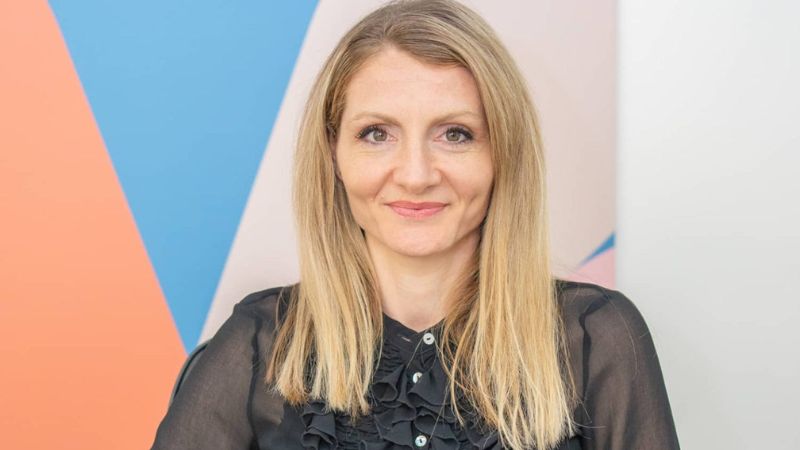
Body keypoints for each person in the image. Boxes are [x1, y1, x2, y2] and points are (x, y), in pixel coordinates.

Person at [151, 0, 680, 448]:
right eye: (377, 134)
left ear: (503, 154)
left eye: (455, 134)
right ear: (333, 154)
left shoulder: (595, 340)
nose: (416, 174)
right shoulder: (260, 345)